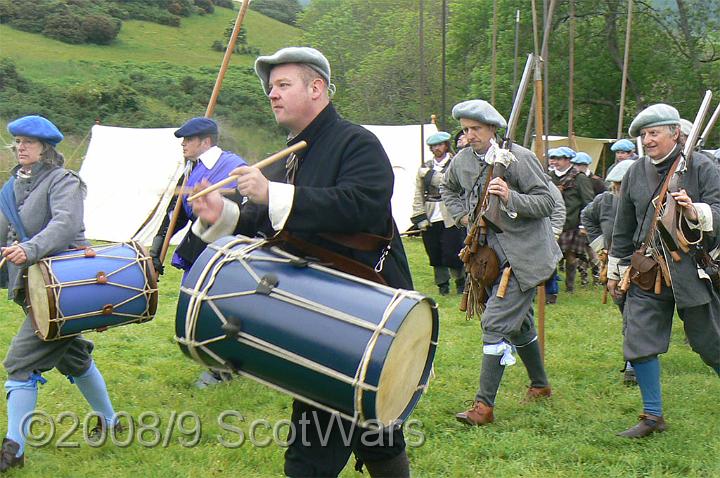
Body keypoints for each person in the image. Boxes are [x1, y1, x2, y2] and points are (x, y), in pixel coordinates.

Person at [190, 47, 412, 477]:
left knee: (321, 454)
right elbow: (270, 221)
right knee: (373, 431)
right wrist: (226, 215)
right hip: (320, 312)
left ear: (317, 88)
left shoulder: (356, 142)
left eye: (283, 85)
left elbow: (363, 206)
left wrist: (270, 194)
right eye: (271, 87)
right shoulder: (293, 154)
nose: (272, 94)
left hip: (364, 313)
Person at [0, 116, 121, 472]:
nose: (20, 147)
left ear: (46, 148)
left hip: (68, 287)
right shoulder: (11, 187)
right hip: (33, 290)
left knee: (19, 363)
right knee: (75, 357)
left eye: (28, 142)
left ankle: (14, 450)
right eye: (17, 141)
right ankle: (112, 422)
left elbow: (65, 224)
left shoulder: (63, 181)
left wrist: (31, 248)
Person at [440, 99, 561, 426]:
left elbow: (547, 201)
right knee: (519, 323)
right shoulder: (462, 161)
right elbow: (447, 190)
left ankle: (483, 407)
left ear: (493, 129)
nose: (470, 135)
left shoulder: (519, 158)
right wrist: (466, 216)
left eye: (476, 129)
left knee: (494, 323)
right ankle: (540, 386)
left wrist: (510, 197)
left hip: (525, 255)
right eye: (466, 129)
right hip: (488, 258)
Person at [606, 103, 720, 438]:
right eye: (643, 134)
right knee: (638, 339)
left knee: (709, 342)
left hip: (690, 271)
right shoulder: (635, 172)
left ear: (675, 133)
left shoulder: (703, 166)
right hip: (647, 270)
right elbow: (623, 226)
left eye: (654, 133)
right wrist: (616, 268)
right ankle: (652, 416)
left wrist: (695, 210)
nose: (648, 140)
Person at [148, 117, 246, 389]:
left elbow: (239, 214)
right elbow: (174, 214)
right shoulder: (191, 170)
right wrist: (157, 251)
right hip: (196, 248)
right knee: (192, 311)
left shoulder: (233, 167)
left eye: (189, 139)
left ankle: (222, 369)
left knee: (215, 312)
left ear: (206, 141)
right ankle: (215, 363)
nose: (183, 144)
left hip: (222, 251)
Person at [580, 158, 636, 384]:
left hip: (646, 265)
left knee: (636, 314)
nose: (620, 189)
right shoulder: (604, 201)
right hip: (615, 265)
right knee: (625, 310)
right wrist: (600, 246)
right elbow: (587, 217)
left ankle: (634, 362)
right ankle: (638, 354)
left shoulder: (649, 200)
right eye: (618, 184)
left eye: (625, 184)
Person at [411, 131, 465, 295]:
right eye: (434, 146)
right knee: (434, 251)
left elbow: (449, 183)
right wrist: (419, 215)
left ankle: (460, 281)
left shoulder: (456, 163)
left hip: (450, 212)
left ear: (446, 145)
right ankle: (442, 284)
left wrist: (430, 176)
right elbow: (418, 192)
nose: (437, 148)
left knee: (453, 251)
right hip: (431, 211)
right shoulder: (426, 167)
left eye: (440, 145)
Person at [547, 147, 595, 292]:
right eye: (552, 158)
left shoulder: (579, 178)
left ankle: (569, 287)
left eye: (558, 158)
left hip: (572, 224)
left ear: (568, 160)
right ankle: (550, 287)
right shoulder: (549, 177)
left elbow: (588, 201)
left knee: (571, 256)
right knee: (549, 256)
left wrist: (583, 225)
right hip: (552, 222)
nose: (554, 162)